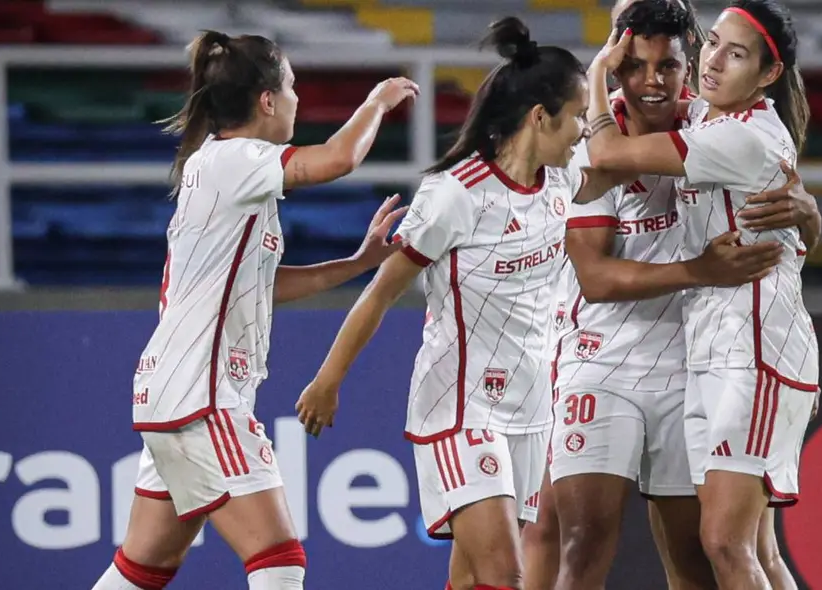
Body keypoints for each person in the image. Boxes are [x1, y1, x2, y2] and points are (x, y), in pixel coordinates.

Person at [293, 17, 629, 590]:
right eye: (576, 116)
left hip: (531, 410)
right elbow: (381, 292)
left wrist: (605, 75)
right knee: (505, 575)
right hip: (461, 408)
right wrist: (328, 380)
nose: (582, 131)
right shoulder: (456, 193)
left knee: (473, 579)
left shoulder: (560, 178)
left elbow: (620, 155)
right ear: (539, 116)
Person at [91, 30, 418, 590]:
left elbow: (259, 286)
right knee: (279, 558)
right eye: (291, 87)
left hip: (176, 394)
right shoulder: (236, 159)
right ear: (267, 100)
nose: (297, 99)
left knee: (142, 569)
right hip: (202, 397)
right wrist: (377, 102)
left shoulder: (218, 168)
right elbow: (337, 159)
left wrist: (357, 263)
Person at [584, 1, 819, 588]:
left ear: (769, 73)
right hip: (712, 348)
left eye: (735, 54)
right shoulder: (706, 119)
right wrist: (810, 214)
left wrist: (596, 74)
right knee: (754, 548)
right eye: (712, 43)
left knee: (724, 542)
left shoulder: (742, 135)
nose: (713, 61)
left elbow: (607, 153)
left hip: (756, 350)